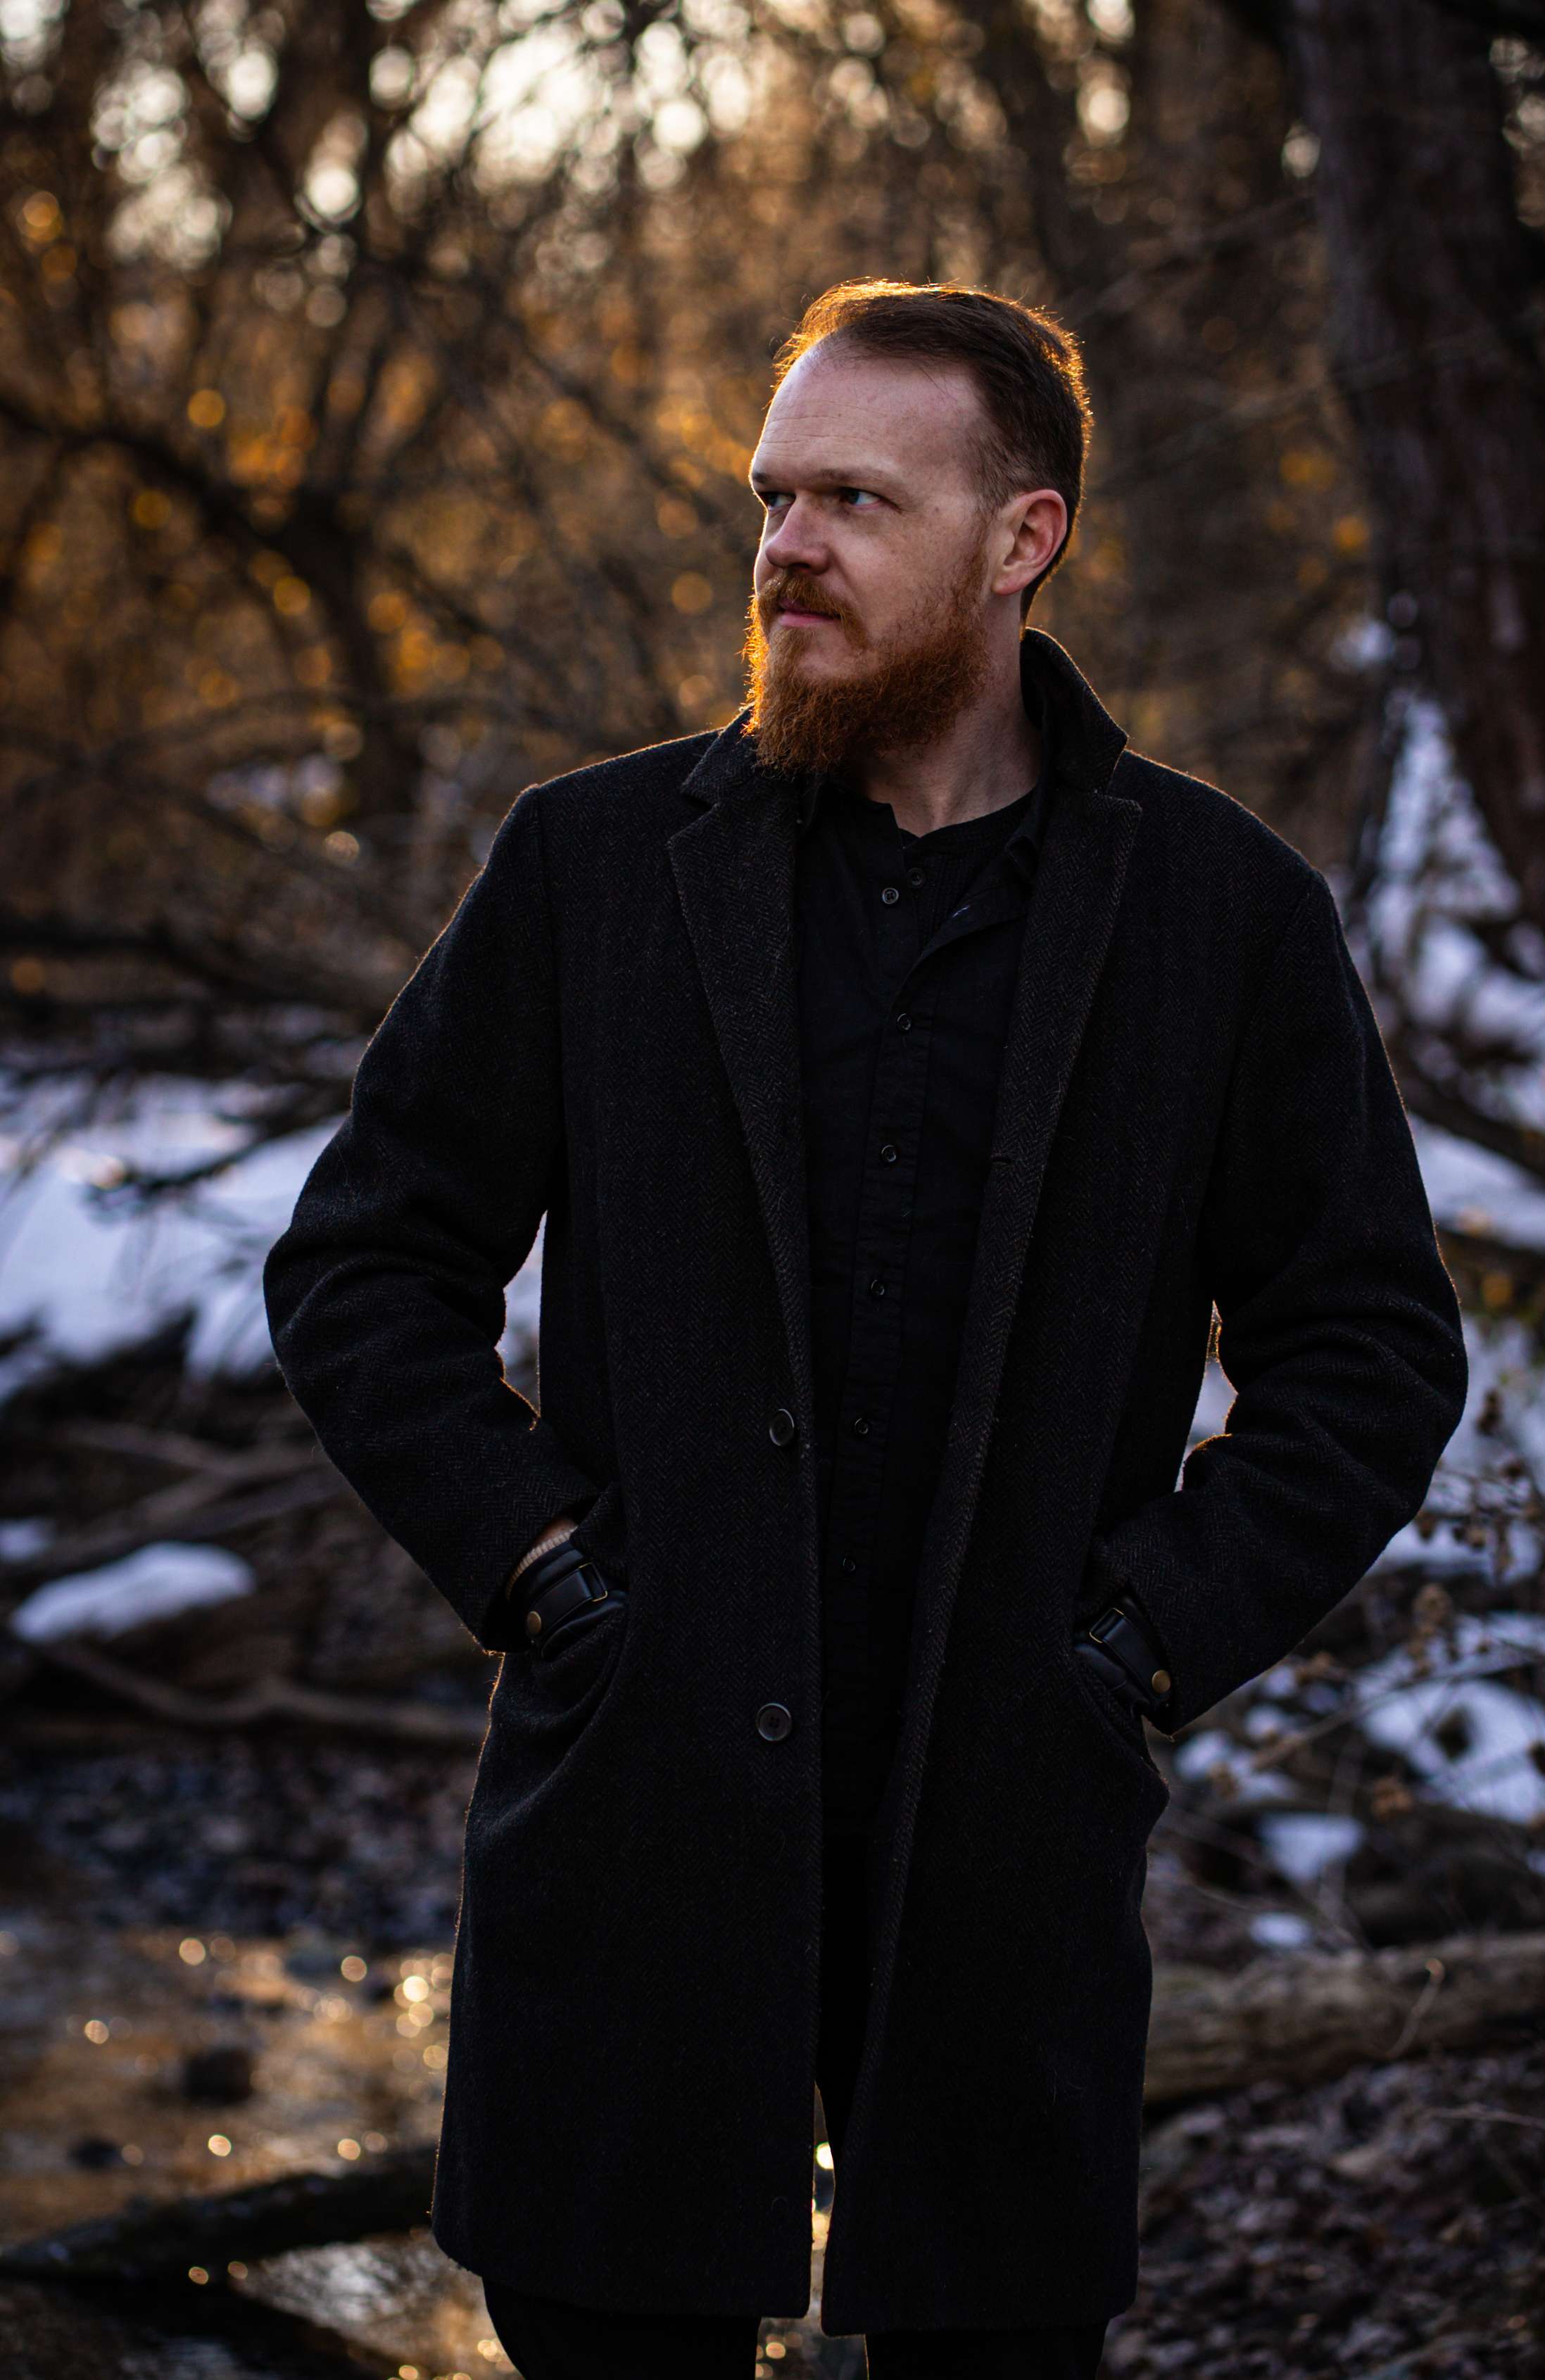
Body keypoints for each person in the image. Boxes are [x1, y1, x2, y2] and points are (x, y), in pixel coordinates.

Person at [263, 279, 1469, 2378]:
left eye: (854, 500)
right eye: (770, 495)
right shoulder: (599, 867)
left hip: (1007, 1820)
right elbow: (364, 1263)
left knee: (985, 2342)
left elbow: (1368, 1343)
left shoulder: (1221, 916)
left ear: (1025, 542)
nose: (786, 547)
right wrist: (546, 1575)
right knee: (599, 2322)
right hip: (640, 1803)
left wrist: (1146, 1642)